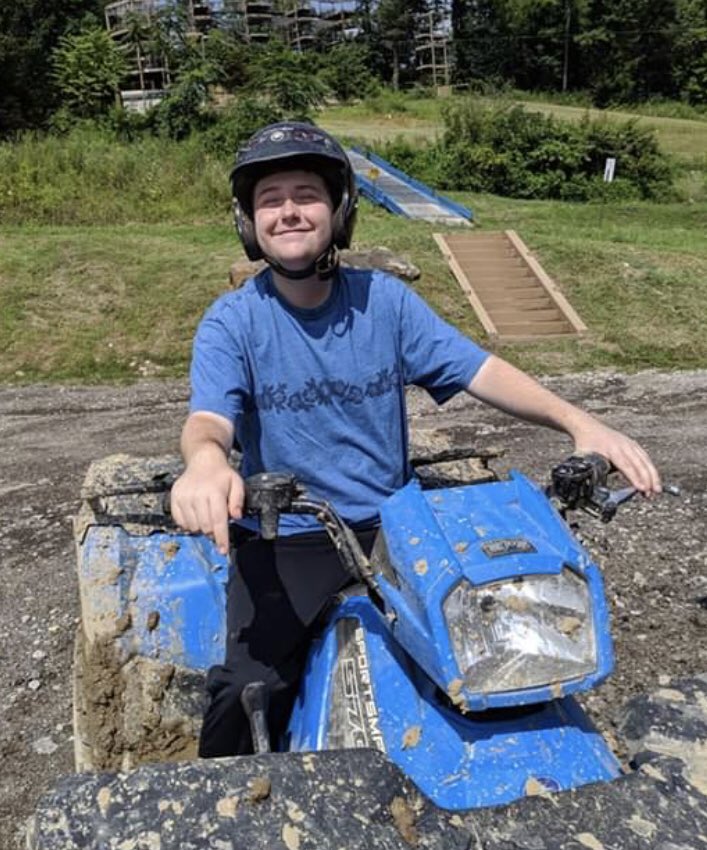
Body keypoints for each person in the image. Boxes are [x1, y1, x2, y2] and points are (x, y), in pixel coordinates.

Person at [170, 121, 661, 758]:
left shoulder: (385, 302)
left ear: (340, 210)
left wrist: (580, 422)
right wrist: (206, 463)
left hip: (398, 528)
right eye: (271, 199)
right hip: (290, 534)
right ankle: (228, 798)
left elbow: (480, 370)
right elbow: (209, 420)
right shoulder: (233, 321)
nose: (289, 210)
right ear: (249, 221)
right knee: (247, 688)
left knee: (495, 654)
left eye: (306, 194)